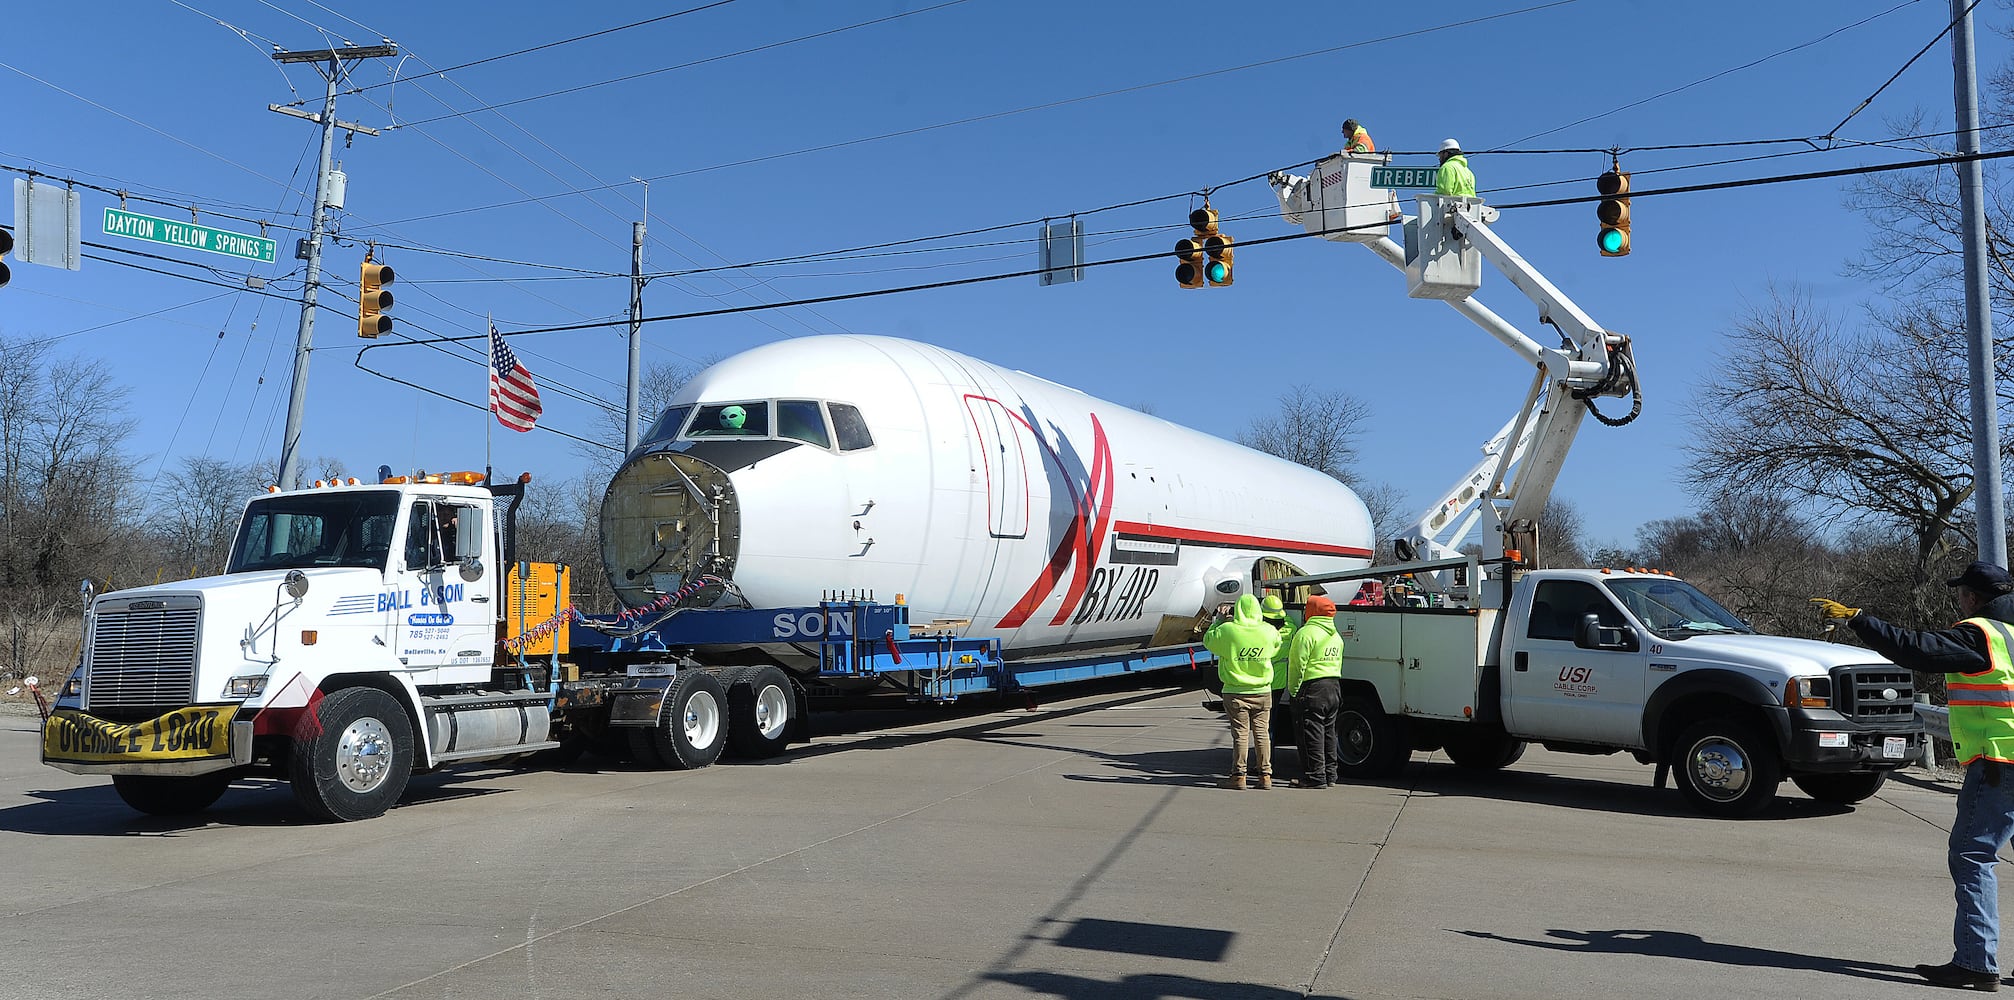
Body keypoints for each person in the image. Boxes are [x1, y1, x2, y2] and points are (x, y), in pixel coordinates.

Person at [1813, 561, 2014, 992]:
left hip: (2000, 762)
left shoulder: (1981, 634)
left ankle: (1976, 963)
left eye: (1962, 594)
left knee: (1972, 855)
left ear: (1973, 598)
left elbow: (1915, 649)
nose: (1959, 600)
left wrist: (1859, 620)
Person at [1202, 594, 1281, 790]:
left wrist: (1219, 620)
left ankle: (1239, 776)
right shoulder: (1268, 631)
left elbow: (1208, 641)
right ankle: (1265, 776)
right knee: (1262, 734)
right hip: (1262, 690)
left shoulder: (1228, 630)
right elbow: (1276, 647)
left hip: (1235, 691)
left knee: (1241, 734)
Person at [1288, 595, 1345, 788]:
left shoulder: (1306, 633)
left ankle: (1315, 777)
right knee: (1329, 732)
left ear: (1311, 611)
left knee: (1311, 733)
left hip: (1312, 688)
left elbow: (1297, 665)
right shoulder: (1335, 635)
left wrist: (1294, 690)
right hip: (1333, 686)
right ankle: (1331, 775)